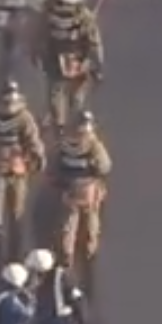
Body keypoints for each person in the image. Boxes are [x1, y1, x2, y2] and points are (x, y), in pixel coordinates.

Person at [0, 81, 46, 264]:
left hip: (13, 169)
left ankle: (11, 253)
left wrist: (38, 156)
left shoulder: (22, 117)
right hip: (1, 169)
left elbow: (32, 139)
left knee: (14, 213)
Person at [34, 0, 104, 134]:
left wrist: (37, 54)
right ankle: (73, 123)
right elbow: (94, 42)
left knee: (56, 93)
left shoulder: (47, 12)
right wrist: (98, 66)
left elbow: (39, 35)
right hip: (77, 60)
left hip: (55, 60)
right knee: (76, 96)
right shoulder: (84, 16)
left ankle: (59, 127)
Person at [51, 111, 112, 270]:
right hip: (88, 189)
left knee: (69, 222)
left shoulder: (64, 143)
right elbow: (105, 166)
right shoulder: (93, 144)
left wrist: (59, 180)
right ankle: (90, 249)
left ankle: (67, 253)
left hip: (70, 189)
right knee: (91, 218)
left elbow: (56, 165)